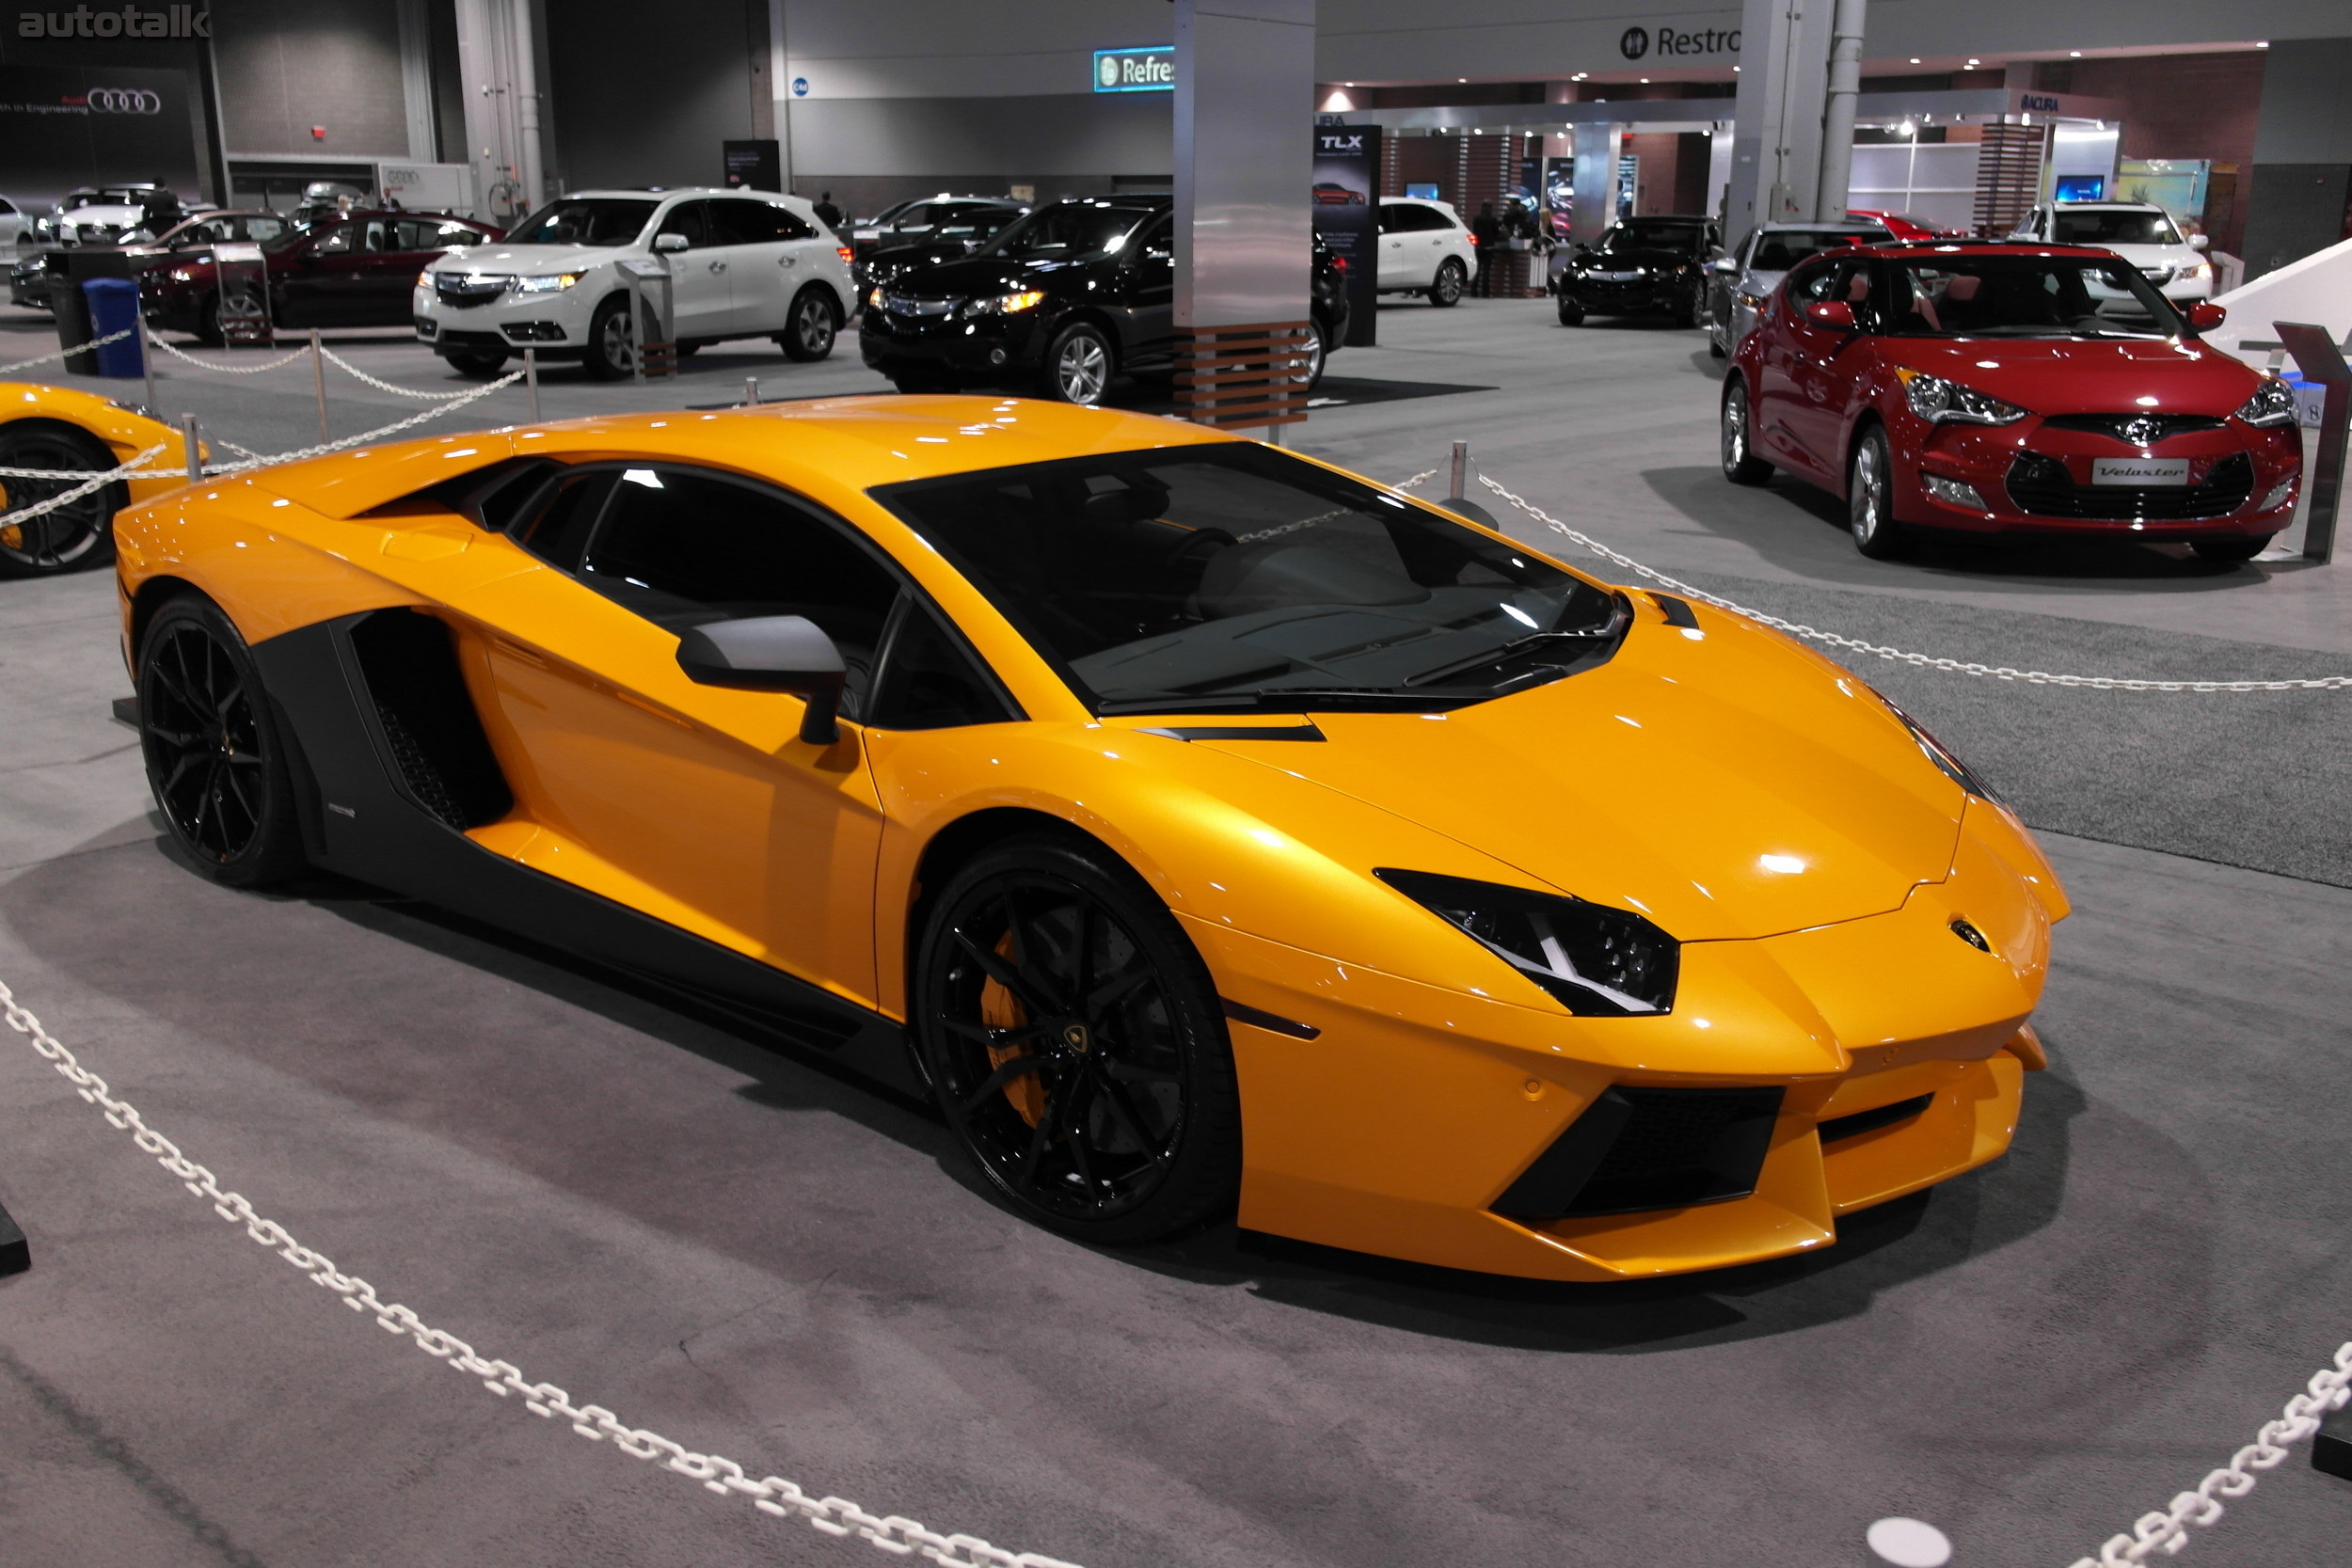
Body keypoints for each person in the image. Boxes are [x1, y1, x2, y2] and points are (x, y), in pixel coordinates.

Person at [1470, 200, 1503, 296]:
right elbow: (1496, 232)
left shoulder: (1476, 218)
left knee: (1477, 269)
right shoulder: (1493, 219)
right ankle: (1485, 292)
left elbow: (1474, 230)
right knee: (1486, 270)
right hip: (1489, 246)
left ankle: (1474, 291)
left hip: (1478, 246)